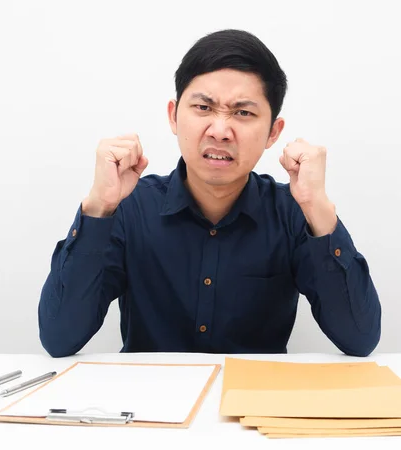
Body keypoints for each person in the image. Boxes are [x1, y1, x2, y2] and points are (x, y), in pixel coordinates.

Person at [38, 29, 381, 358]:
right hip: (149, 405)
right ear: (174, 117)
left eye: (243, 113)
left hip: (252, 409)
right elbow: (59, 338)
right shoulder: (130, 208)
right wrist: (99, 205)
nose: (220, 130)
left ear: (273, 132)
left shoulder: (292, 213)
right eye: (203, 108)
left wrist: (316, 206)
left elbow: (359, 337)